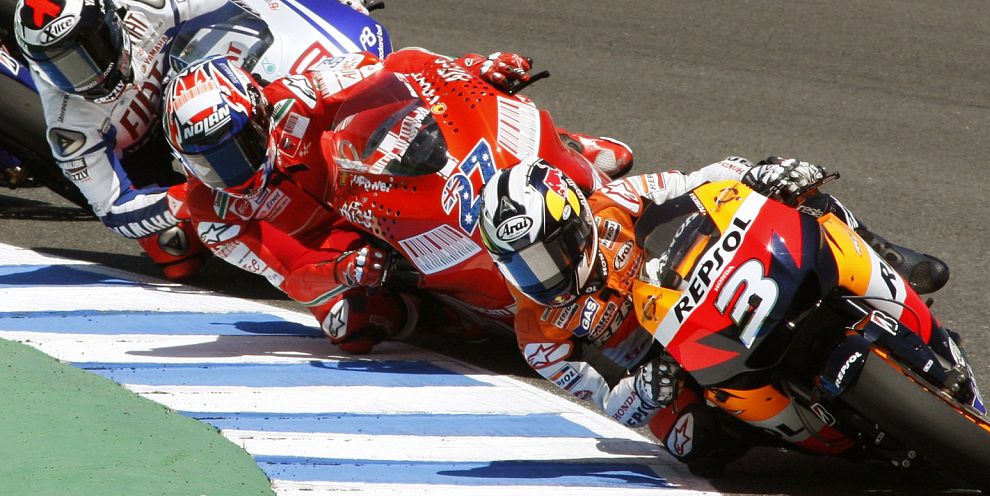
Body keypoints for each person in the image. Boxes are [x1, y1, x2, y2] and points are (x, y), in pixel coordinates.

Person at [476, 155, 951, 471]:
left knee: (793, 195)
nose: (545, 276)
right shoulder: (536, 334)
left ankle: (884, 255)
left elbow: (698, 183)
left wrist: (756, 174)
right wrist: (644, 390)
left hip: (699, 283)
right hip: (668, 364)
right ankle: (795, 426)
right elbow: (609, 403)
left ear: (576, 222)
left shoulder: (614, 204)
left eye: (550, 253)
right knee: (691, 444)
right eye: (523, 265)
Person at [161, 51, 635, 352]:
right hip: (341, 247)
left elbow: (395, 70)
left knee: (464, 129)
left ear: (260, 114)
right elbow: (288, 271)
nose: (232, 173)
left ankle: (565, 149)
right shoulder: (216, 215)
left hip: (371, 182)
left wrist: (472, 70)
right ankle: (448, 313)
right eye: (209, 164)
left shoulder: (296, 98)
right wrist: (342, 270)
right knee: (352, 327)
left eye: (237, 150)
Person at [9, 0, 381, 280]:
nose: (84, 78)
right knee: (177, 255)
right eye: (61, 69)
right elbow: (115, 208)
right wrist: (186, 200)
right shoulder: (68, 123)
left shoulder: (146, 8)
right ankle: (312, 267)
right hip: (160, 172)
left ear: (111, 23)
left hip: (200, 92)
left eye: (86, 54)